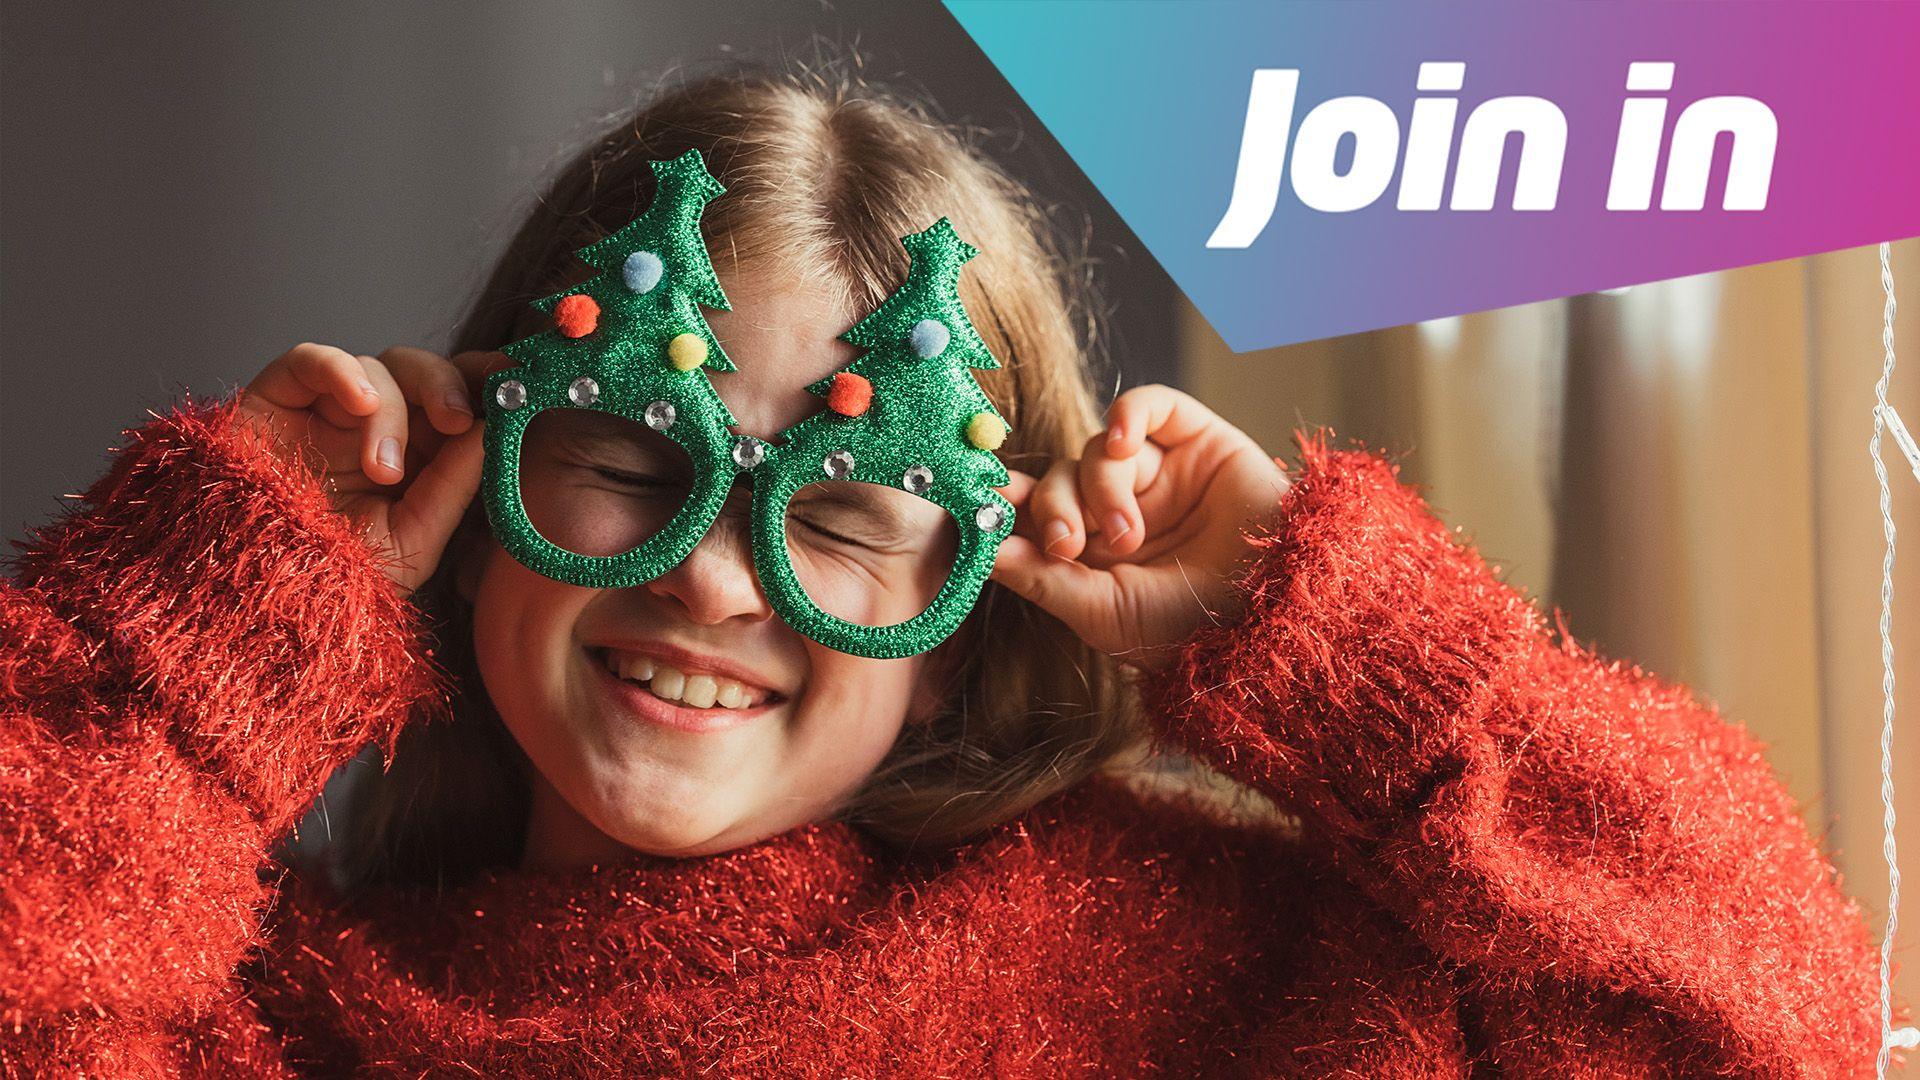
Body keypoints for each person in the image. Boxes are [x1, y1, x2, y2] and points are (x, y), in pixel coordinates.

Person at [0, 66, 1885, 1076]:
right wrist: (192, 632)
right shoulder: (267, 1011)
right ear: (479, 481)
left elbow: (1745, 1030)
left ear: (968, 614)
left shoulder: (1219, 984)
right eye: (633, 465)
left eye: (836, 516)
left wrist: (1368, 659)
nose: (723, 582)